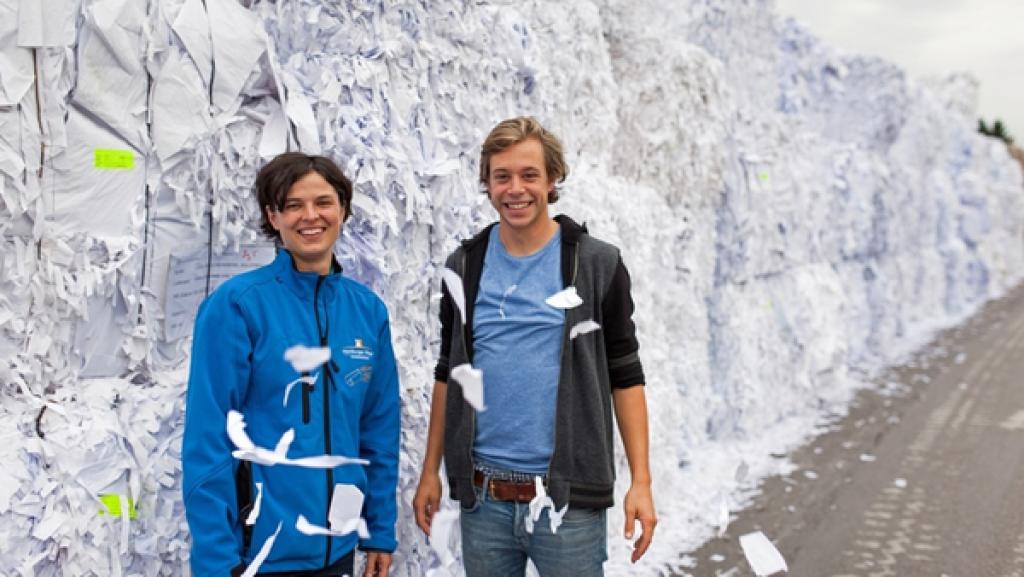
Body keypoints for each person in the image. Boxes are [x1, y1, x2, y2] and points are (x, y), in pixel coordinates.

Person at [412, 117, 656, 576]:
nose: (515, 189)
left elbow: (625, 374)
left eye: (529, 175)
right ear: (486, 183)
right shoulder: (463, 266)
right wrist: (431, 472)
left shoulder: (597, 263)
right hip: (484, 500)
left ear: (552, 180)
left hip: (568, 500)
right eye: (501, 176)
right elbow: (450, 370)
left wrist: (641, 480)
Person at [182, 153, 400, 577]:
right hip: (258, 557)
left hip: (337, 552)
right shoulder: (239, 306)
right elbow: (208, 441)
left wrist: (377, 529)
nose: (310, 216)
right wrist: (215, 562)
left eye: (323, 202)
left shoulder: (367, 311)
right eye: (293, 205)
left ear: (343, 209)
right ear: (273, 216)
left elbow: (377, 430)